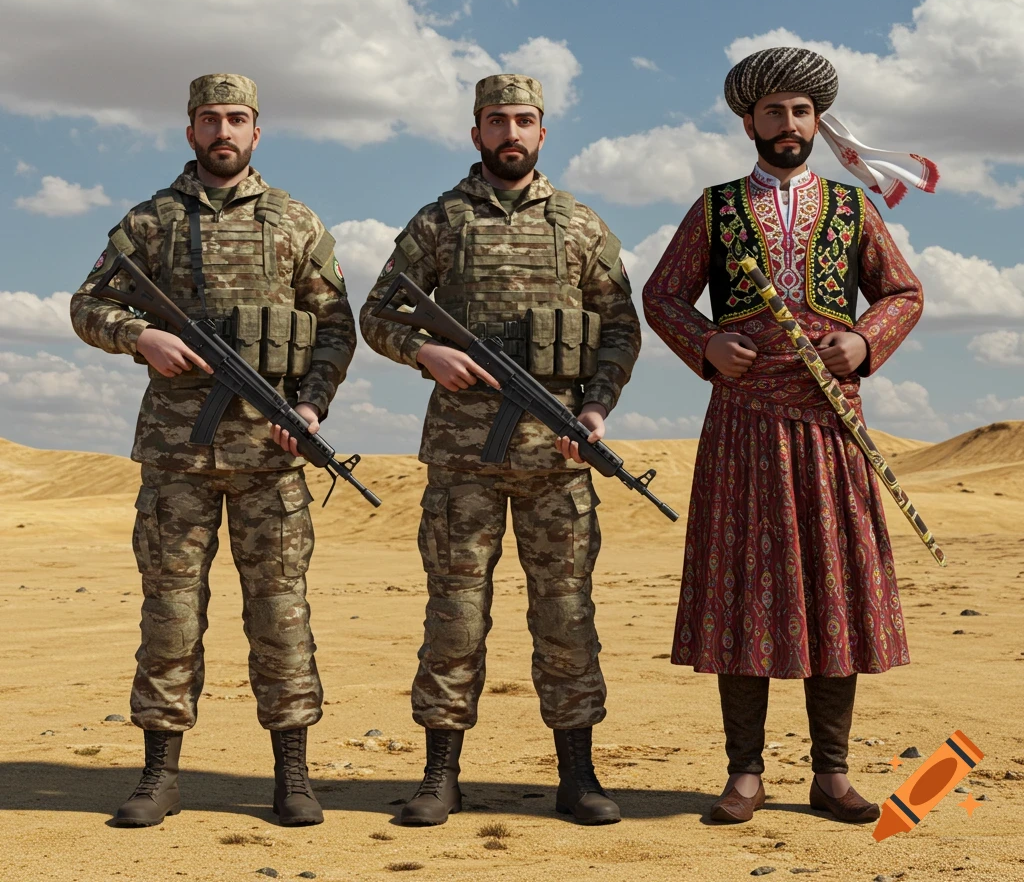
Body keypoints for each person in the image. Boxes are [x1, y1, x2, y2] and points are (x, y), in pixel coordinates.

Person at [642, 47, 932, 825]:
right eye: (774, 112)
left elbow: (903, 291)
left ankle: (831, 775)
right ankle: (744, 774)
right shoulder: (715, 208)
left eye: (801, 112)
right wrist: (706, 344)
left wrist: (866, 340)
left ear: (816, 122)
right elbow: (663, 296)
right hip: (743, 420)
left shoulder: (852, 208)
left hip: (832, 419)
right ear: (749, 123)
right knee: (746, 586)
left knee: (832, 581)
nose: (789, 124)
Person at [70, 74, 356, 828]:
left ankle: (292, 776)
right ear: (190, 130)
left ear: (257, 131)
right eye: (209, 118)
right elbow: (88, 304)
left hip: (272, 456)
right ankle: (160, 775)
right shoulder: (152, 221)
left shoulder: (296, 222)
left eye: (236, 118)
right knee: (169, 616)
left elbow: (335, 327)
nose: (222, 130)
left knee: (281, 615)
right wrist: (142, 336)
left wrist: (309, 405)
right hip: (177, 457)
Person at [360, 74, 641, 826]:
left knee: (566, 615)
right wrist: (425, 353)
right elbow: (377, 313)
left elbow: (620, 329)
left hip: (559, 457)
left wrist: (595, 406)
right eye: (496, 121)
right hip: (462, 457)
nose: (509, 133)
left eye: (523, 120)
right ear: (475, 131)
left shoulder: (581, 226)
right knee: (454, 614)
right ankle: (439, 776)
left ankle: (578, 777)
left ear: (543, 133)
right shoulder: (440, 222)